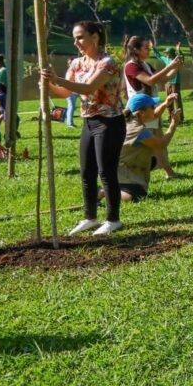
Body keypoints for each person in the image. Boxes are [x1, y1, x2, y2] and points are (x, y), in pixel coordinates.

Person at [41, 20, 128, 236]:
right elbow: (64, 92)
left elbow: (89, 88)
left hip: (110, 122)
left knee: (105, 172)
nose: (76, 42)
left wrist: (57, 78)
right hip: (89, 122)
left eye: (80, 37)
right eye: (74, 38)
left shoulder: (107, 63)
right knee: (87, 172)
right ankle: (90, 217)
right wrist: (48, 84)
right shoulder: (77, 64)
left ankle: (113, 219)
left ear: (95, 37)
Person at [123, 35, 183, 178]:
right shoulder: (131, 66)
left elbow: (162, 79)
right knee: (155, 141)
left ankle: (169, 172)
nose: (149, 50)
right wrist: (171, 66)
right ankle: (164, 172)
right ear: (136, 50)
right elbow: (150, 81)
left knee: (158, 139)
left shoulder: (145, 64)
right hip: (140, 111)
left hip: (149, 108)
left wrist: (176, 68)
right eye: (146, 48)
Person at [116, 92, 179, 203]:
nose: (154, 109)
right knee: (134, 197)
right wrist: (173, 125)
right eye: (152, 107)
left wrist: (165, 104)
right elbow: (161, 144)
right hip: (122, 170)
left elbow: (153, 116)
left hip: (122, 166)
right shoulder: (138, 131)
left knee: (153, 161)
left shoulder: (129, 120)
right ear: (142, 112)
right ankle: (104, 191)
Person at [153, 42, 185, 124]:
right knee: (169, 100)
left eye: (167, 53)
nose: (166, 54)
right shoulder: (166, 59)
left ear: (171, 53)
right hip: (167, 83)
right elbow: (158, 56)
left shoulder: (177, 60)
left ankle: (180, 118)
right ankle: (171, 117)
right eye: (166, 53)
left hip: (175, 83)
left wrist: (179, 50)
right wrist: (153, 48)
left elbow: (182, 58)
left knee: (177, 100)